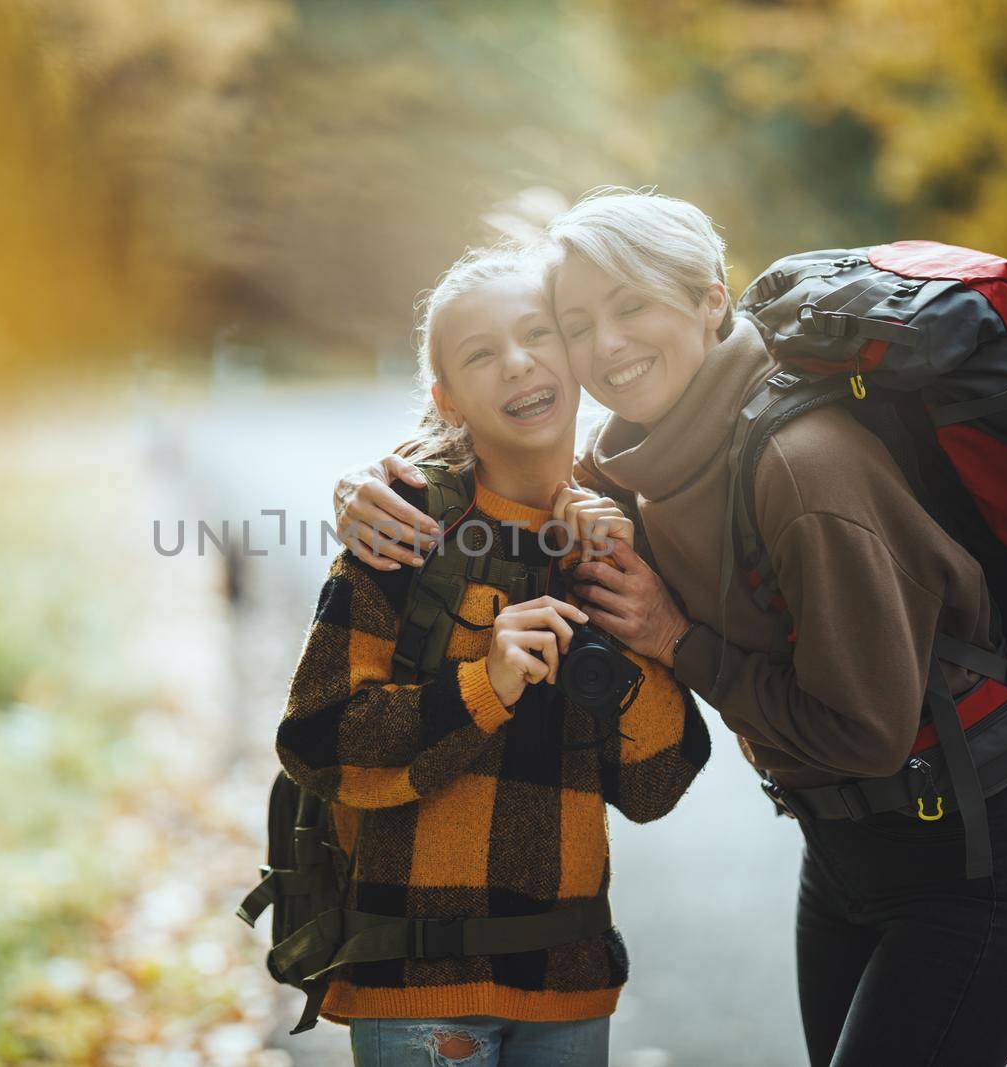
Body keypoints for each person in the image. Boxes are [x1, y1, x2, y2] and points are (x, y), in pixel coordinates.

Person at [333, 191, 1007, 1067]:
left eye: (633, 305)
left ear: (711, 300)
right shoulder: (642, 456)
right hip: (842, 855)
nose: (606, 345)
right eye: (578, 322)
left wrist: (676, 636)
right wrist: (373, 485)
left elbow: (868, 732)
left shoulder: (805, 470)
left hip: (968, 862)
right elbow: (500, 464)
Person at [277, 244, 709, 1066]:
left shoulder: (621, 536)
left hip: (570, 979)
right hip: (417, 981)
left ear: (575, 357)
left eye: (537, 334)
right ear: (446, 398)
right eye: (481, 353)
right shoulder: (401, 527)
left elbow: (659, 782)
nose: (518, 365)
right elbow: (318, 740)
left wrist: (617, 655)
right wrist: (486, 683)